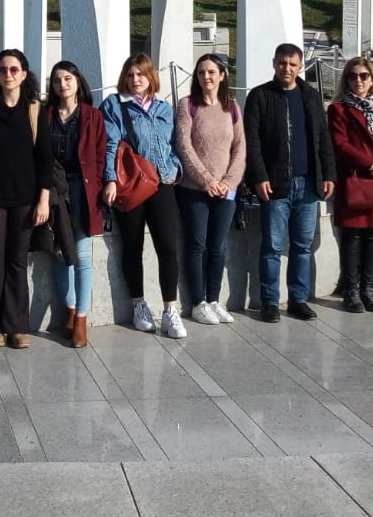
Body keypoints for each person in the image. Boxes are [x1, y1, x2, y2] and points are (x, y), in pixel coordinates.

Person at [0, 49, 53, 348]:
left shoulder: (34, 109)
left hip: (24, 198)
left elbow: (44, 158)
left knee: (17, 261)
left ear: (24, 74)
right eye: (3, 69)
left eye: (14, 70)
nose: (8, 75)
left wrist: (43, 199)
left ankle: (17, 325)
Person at [243, 43, 336, 321]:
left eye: (293, 64)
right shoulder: (260, 96)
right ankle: (269, 301)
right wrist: (259, 176)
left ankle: (298, 299)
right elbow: (253, 141)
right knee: (271, 246)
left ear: (300, 66)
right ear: (274, 63)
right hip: (275, 185)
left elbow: (322, 137)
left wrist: (328, 173)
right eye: (282, 63)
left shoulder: (310, 95)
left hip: (307, 184)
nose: (287, 68)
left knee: (302, 246)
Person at [102, 53, 185, 337]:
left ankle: (170, 309)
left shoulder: (164, 108)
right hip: (132, 183)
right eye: (130, 74)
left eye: (141, 74)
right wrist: (111, 180)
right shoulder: (114, 105)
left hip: (162, 182)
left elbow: (173, 143)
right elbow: (111, 144)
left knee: (167, 246)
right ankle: (138, 304)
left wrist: (176, 167)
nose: (135, 80)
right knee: (132, 245)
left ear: (151, 77)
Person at [174, 53, 246, 326]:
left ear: (222, 75)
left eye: (212, 72)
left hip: (226, 191)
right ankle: (197, 302)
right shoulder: (188, 105)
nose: (206, 77)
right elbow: (184, 146)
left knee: (218, 247)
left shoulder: (232, 108)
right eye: (201, 72)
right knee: (197, 245)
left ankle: (214, 299)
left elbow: (240, 148)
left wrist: (228, 182)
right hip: (194, 189)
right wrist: (207, 180)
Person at [327, 58, 373, 312]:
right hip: (356, 179)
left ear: (372, 79)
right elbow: (340, 143)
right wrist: (371, 163)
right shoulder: (339, 109)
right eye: (352, 76)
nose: (358, 81)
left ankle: (368, 289)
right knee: (352, 238)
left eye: (364, 76)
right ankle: (351, 290)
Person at [46, 60, 107, 348]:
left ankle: (81, 319)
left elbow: (100, 154)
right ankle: (69, 309)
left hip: (83, 190)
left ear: (77, 82)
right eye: (58, 80)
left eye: (68, 79)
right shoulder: (46, 115)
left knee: (81, 255)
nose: (63, 85)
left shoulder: (92, 116)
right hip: (55, 190)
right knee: (59, 252)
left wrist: (102, 185)